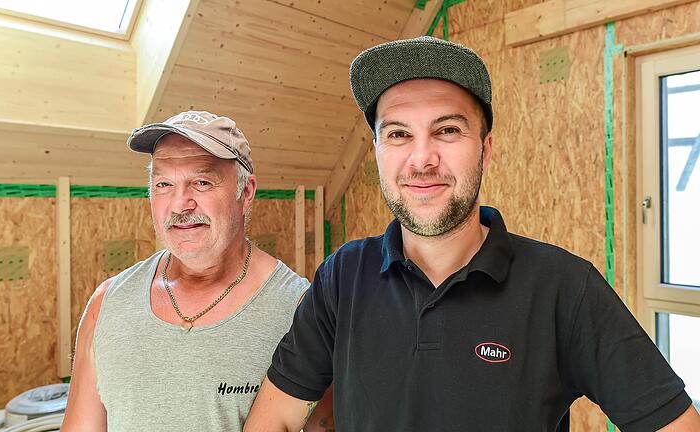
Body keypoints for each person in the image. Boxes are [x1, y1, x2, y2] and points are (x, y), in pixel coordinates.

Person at [244, 37, 700, 431]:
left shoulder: (563, 287)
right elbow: (277, 417)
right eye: (399, 134)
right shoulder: (343, 276)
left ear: (485, 148)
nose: (422, 160)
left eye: (447, 130)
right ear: (378, 152)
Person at [61, 111, 327, 431]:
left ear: (245, 192)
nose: (179, 204)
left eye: (201, 182)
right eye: (163, 184)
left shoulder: (300, 309)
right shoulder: (108, 302)